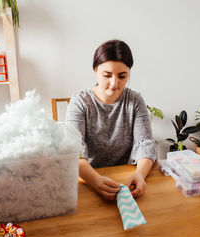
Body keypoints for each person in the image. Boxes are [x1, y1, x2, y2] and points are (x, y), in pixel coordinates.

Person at [66, 39, 157, 200]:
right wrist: (95, 180)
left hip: (127, 178)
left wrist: (140, 174)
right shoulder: (80, 103)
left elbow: (146, 144)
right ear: (95, 71)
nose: (114, 84)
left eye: (122, 76)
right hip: (89, 177)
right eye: (107, 75)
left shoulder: (135, 101)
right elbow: (74, 151)